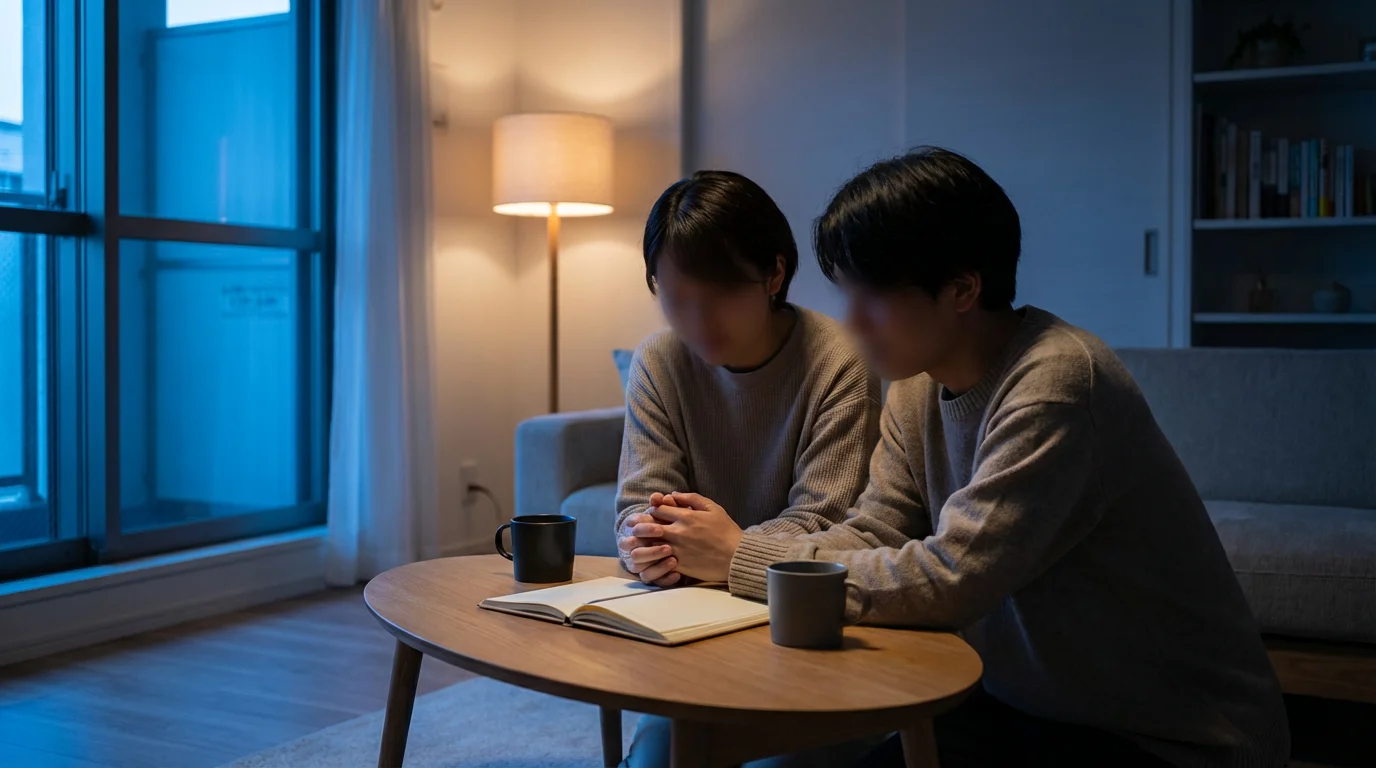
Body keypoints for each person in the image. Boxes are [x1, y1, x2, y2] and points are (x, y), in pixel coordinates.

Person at [623, 148, 1290, 767]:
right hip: (1012, 708)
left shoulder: (1055, 386)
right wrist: (736, 556)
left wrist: (742, 557)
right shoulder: (919, 383)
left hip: (1162, 735)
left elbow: (952, 577)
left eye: (872, 297)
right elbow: (877, 527)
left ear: (962, 289)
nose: (852, 321)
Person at [614, 170, 882, 768]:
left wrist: (730, 551)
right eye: (676, 298)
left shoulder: (840, 361)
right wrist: (643, 542)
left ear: (774, 275)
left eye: (719, 296)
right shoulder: (659, 360)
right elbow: (641, 503)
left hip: (800, 617)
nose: (697, 321)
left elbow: (826, 520)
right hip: (690, 618)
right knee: (660, 759)